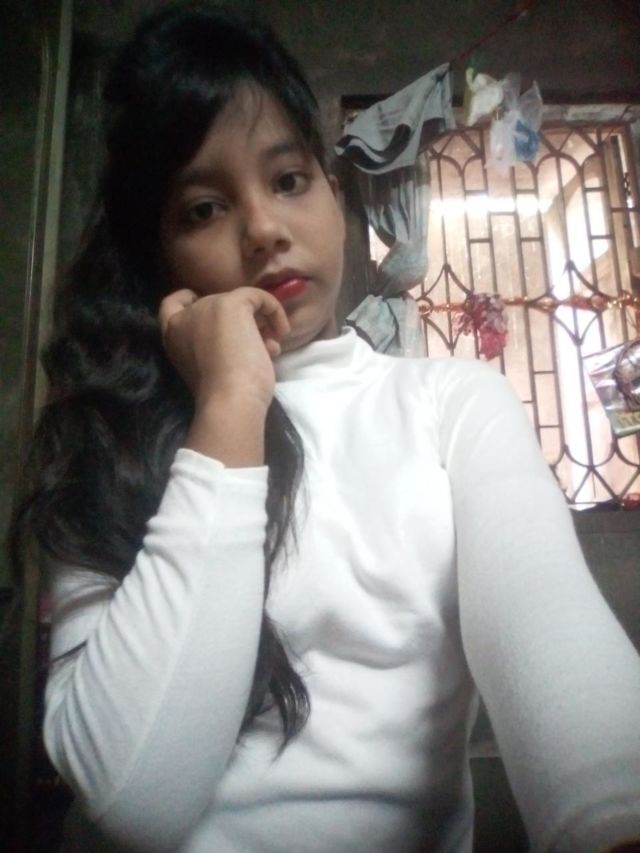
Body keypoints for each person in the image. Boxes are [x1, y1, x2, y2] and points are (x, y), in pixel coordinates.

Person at [10, 3, 640, 852]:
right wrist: (231, 400)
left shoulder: (452, 403)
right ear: (158, 255)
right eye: (204, 208)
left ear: (334, 194)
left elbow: (557, 648)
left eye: (288, 180)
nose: (264, 229)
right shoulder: (111, 437)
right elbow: (135, 797)